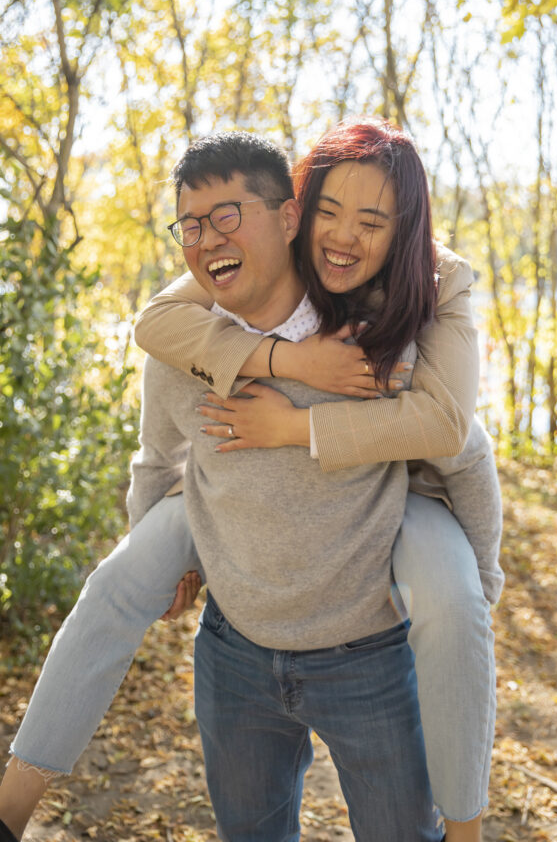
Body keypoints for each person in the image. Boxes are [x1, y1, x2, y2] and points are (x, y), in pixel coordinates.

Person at [0, 121, 501, 842]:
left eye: (228, 217)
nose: (208, 240)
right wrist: (163, 550)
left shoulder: (380, 337)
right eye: (191, 227)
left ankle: (467, 829)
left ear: (281, 217)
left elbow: (460, 444)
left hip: (364, 649)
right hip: (235, 652)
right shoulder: (190, 341)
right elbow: (156, 449)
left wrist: (483, 575)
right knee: (119, 579)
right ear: (304, 214)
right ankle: (13, 806)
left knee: (452, 610)